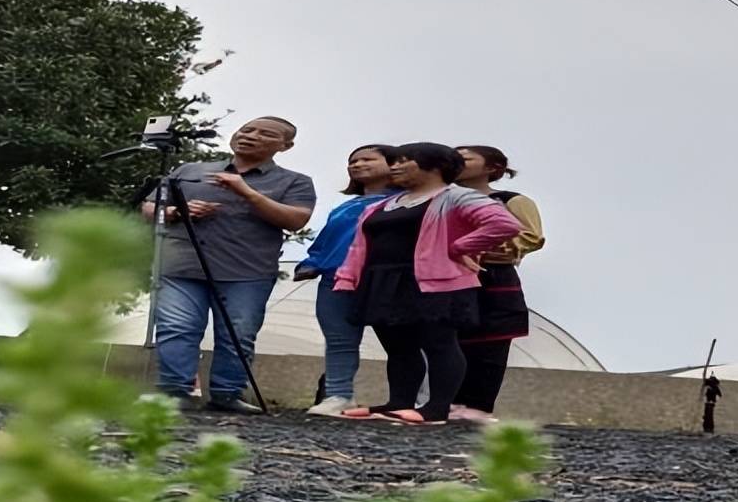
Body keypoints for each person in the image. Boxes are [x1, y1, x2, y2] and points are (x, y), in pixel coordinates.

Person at [335, 143, 520, 425]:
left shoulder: (457, 197)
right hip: (382, 279)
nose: (394, 167)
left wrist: (460, 247)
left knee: (439, 342)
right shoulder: (381, 205)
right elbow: (359, 247)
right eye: (394, 162)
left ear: (435, 166)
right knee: (398, 345)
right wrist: (348, 278)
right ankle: (398, 402)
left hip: (435, 280)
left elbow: (503, 224)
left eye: (404, 161)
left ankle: (436, 408)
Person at [145, 116, 316, 413]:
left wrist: (246, 192)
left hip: (246, 271)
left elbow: (296, 219)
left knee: (238, 333)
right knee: (176, 327)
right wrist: (174, 211)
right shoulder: (190, 170)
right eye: (247, 130)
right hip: (181, 264)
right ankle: (174, 392)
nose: (251, 136)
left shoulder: (295, 181)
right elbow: (149, 207)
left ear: (285, 146)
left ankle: (227, 394)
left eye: (265, 134)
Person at [293, 144, 399, 417]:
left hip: (384, 278)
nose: (357, 164)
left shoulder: (408, 201)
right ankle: (338, 395)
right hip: (336, 277)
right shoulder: (346, 206)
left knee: (403, 342)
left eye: (368, 159)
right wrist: (311, 263)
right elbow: (327, 242)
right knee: (339, 339)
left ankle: (417, 398)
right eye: (353, 160)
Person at [449, 145, 545, 424]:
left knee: (489, 345)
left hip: (492, 277)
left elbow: (530, 236)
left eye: (465, 158)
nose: (456, 162)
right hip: (443, 276)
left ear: (492, 167)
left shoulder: (511, 200)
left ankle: (477, 407)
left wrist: (479, 248)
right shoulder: (438, 199)